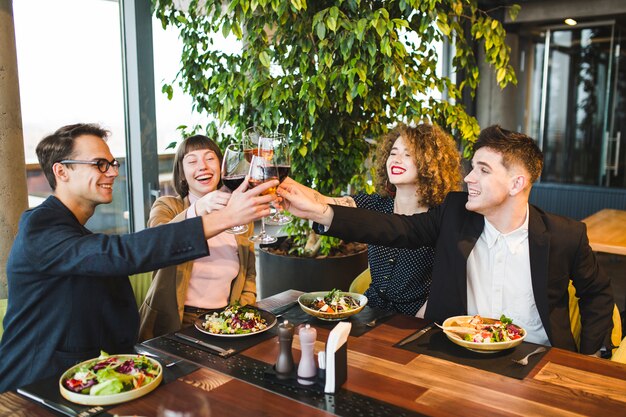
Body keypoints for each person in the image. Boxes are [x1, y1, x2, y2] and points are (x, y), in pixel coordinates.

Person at [280, 125, 615, 354]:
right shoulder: (455, 214)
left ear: (516, 184)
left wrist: (590, 357)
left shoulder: (565, 235)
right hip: (458, 353)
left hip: (534, 358)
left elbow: (597, 293)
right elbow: (398, 229)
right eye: (472, 167)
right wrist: (321, 211)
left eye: (483, 170)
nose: (468, 177)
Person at [0, 123, 276, 392]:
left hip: (83, 379)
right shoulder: (40, 227)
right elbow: (121, 254)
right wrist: (226, 217)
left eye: (112, 164)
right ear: (62, 171)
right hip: (31, 385)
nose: (111, 173)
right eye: (100, 164)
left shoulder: (76, 230)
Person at [283, 123, 461, 316]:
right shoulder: (377, 204)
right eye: (393, 153)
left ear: (430, 164)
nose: (397, 159)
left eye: (408, 154)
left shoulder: (440, 218)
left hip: (416, 317)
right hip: (371, 310)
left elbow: (447, 286)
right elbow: (325, 201)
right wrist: (281, 182)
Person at [138, 135, 256, 341]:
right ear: (182, 174)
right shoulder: (167, 206)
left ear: (222, 167)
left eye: (210, 158)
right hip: (175, 324)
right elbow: (158, 242)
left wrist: (239, 316)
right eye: (192, 161)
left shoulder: (238, 214)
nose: (202, 166)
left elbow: (249, 275)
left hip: (224, 322)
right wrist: (198, 208)